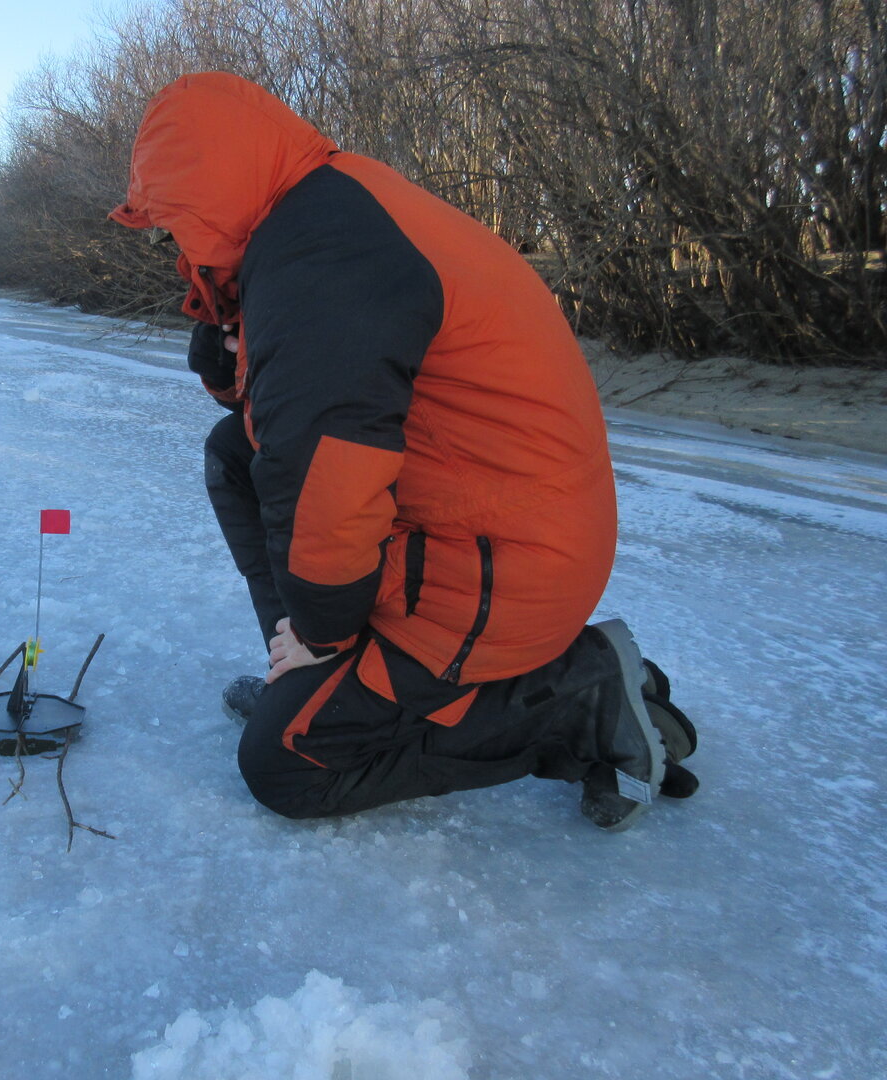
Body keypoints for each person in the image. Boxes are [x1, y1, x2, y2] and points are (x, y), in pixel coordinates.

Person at [110, 72, 699, 829]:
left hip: (504, 567)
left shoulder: (321, 258)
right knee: (235, 454)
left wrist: (324, 633)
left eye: (168, 227)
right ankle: (317, 684)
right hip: (506, 527)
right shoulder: (330, 210)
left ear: (201, 196)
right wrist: (225, 349)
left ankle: (578, 702)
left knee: (286, 769)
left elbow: (320, 472)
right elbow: (285, 413)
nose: (172, 247)